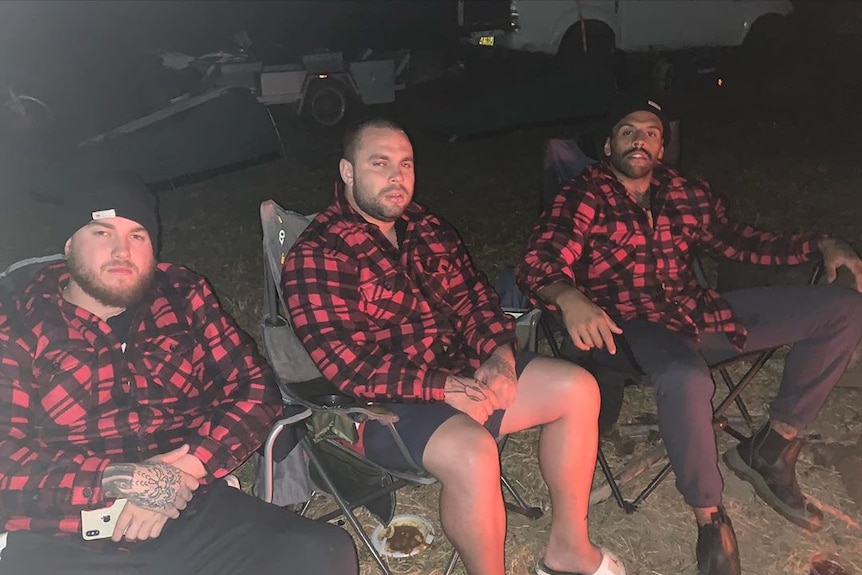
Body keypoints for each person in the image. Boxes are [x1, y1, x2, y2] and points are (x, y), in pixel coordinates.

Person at [516, 96, 862, 575]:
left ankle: (771, 449)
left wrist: (821, 243)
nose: (641, 139)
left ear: (663, 147)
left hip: (697, 313)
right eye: (628, 130)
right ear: (607, 144)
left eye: (652, 132)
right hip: (627, 326)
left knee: (843, 310)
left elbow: (741, 241)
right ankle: (708, 517)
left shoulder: (685, 192)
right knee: (686, 377)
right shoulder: (582, 196)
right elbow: (539, 264)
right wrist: (568, 296)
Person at [282, 119, 627, 575]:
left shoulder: (427, 227)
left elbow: (475, 301)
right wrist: (445, 388)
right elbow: (349, 365)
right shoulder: (319, 252)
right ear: (347, 172)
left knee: (579, 389)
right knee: (474, 452)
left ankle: (568, 549)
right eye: (379, 163)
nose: (396, 177)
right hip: (381, 406)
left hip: (465, 375)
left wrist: (500, 358)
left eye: (405, 164)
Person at [0, 172, 358, 575]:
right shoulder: (17, 321)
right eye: (102, 233)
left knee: (319, 553)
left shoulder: (181, 294)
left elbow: (255, 388)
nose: (122, 250)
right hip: (66, 530)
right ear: (68, 245)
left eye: (138, 235)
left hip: (189, 508)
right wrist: (123, 480)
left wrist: (185, 468)